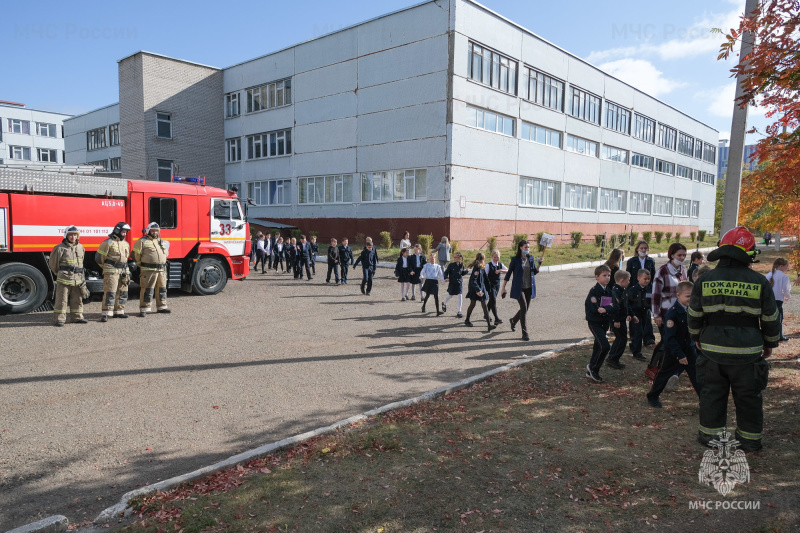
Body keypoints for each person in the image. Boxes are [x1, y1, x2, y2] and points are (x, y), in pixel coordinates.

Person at [688, 226, 780, 452]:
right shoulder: (759, 282)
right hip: (747, 352)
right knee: (748, 398)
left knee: (712, 395)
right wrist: (769, 343)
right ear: (749, 253)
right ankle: (749, 440)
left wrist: (696, 337)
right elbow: (770, 318)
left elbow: (694, 315)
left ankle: (710, 437)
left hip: (711, 350)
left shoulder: (705, 279)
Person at [647, 281, 701, 408]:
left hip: (689, 349)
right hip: (674, 352)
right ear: (678, 295)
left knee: (696, 375)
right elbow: (669, 338)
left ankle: (704, 400)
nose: (691, 299)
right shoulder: (673, 313)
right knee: (664, 374)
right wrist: (679, 355)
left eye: (693, 296)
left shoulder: (692, 310)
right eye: (688, 296)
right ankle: (653, 396)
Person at [649, 243, 688, 383]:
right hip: (665, 313)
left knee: (673, 341)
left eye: (684, 255)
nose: (682, 258)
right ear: (671, 255)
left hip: (680, 312)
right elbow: (656, 295)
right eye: (679, 255)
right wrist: (656, 314)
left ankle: (665, 367)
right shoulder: (663, 271)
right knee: (667, 340)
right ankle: (653, 367)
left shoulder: (684, 270)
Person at [501, 240, 541, 342]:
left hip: (529, 287)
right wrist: (503, 287)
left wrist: (539, 264)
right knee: (523, 307)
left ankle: (513, 320)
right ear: (520, 248)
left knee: (525, 309)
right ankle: (525, 333)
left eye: (528, 247)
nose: (527, 249)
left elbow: (533, 272)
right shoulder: (515, 260)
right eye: (525, 247)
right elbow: (509, 273)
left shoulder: (530, 258)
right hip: (519, 288)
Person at [48, 225, 88, 326]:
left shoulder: (81, 247)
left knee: (77, 299)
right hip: (64, 278)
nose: (73, 237)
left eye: (75, 235)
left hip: (78, 278)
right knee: (61, 299)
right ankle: (59, 319)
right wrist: (60, 273)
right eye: (71, 235)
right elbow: (53, 264)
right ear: (66, 235)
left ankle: (77, 317)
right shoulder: (59, 248)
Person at [96, 221, 131, 321]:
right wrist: (107, 268)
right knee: (110, 292)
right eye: (123, 232)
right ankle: (106, 313)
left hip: (123, 271)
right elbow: (99, 258)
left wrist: (127, 272)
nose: (124, 234)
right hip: (111, 271)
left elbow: (126, 259)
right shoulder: (107, 243)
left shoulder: (125, 244)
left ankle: (119, 311)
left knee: (123, 292)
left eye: (126, 232)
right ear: (117, 230)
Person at [133, 222, 170, 317]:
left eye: (156, 231)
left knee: (162, 289)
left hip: (161, 270)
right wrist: (140, 265)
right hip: (148, 270)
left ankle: (162, 307)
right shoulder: (142, 241)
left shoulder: (161, 241)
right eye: (153, 230)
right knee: (147, 290)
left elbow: (166, 253)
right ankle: (144, 309)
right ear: (148, 231)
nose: (155, 232)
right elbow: (135, 255)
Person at [584, 264, 614, 382]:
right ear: (597, 277)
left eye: (609, 275)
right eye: (604, 275)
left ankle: (590, 370)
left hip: (604, 322)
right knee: (605, 346)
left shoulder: (609, 291)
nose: (607, 278)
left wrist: (607, 308)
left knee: (598, 346)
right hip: (595, 322)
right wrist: (607, 308)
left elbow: (614, 306)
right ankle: (594, 368)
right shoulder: (594, 291)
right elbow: (597, 309)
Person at [625, 240, 657, 346]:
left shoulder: (651, 261)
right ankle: (634, 337)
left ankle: (648, 338)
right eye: (641, 248)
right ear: (637, 249)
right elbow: (628, 275)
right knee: (635, 312)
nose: (643, 250)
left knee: (647, 313)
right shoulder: (632, 261)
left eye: (645, 248)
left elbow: (653, 275)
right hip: (635, 290)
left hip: (647, 289)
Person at [606, 270, 637, 369]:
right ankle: (613, 358)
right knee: (621, 339)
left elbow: (626, 305)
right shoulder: (615, 291)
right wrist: (616, 320)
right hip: (617, 320)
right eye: (628, 280)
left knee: (621, 338)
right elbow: (615, 307)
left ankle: (613, 357)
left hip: (621, 319)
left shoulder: (622, 290)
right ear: (622, 280)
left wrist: (632, 314)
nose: (629, 282)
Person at [465, 252, 495, 331]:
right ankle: (467, 320)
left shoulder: (482, 267)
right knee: (473, 304)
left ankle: (489, 325)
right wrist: (478, 290)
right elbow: (473, 280)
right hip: (475, 289)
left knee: (484, 305)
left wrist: (489, 289)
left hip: (481, 288)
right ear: (483, 259)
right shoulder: (477, 268)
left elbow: (485, 279)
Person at [626, 269, 651, 361]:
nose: (647, 281)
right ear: (638, 278)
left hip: (645, 313)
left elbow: (651, 301)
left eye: (649, 279)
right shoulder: (633, 289)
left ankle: (633, 345)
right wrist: (629, 314)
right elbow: (627, 303)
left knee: (642, 331)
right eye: (645, 279)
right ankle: (637, 352)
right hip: (635, 314)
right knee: (637, 332)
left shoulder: (649, 289)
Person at [766, 258, 791, 342]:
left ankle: (768, 334)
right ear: (781, 266)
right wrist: (788, 296)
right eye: (787, 266)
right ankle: (779, 335)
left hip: (768, 299)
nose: (788, 268)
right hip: (778, 300)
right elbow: (786, 289)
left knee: (769, 317)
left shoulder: (768, 275)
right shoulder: (784, 276)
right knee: (779, 317)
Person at [484, 249, 508, 325]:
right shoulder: (488, 265)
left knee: (491, 300)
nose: (496, 258)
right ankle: (496, 318)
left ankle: (486, 314)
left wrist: (500, 270)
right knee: (493, 300)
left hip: (497, 285)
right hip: (490, 285)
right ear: (492, 257)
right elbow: (484, 275)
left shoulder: (500, 265)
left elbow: (508, 270)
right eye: (494, 257)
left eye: (497, 257)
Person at [442, 252, 469, 318]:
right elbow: (446, 272)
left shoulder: (461, 265)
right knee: (450, 295)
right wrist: (446, 277)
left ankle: (459, 311)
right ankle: (444, 303)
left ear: (459, 258)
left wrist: (466, 271)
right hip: (452, 283)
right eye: (454, 257)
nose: (454, 258)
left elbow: (462, 273)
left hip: (459, 283)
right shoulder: (451, 265)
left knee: (460, 295)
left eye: (456, 257)